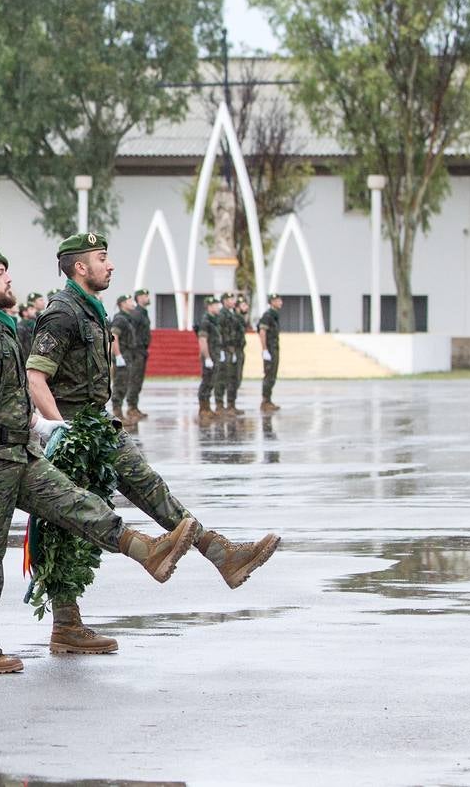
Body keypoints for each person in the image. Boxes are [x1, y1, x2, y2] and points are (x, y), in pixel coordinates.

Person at [0, 247, 206, 673]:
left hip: (19, 453)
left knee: (76, 504)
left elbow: (11, 393)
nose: (9, 278)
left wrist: (39, 426)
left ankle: (147, 552)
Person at [27, 233, 282, 652]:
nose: (110, 266)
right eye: (101, 258)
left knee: (151, 490)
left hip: (97, 426)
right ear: (79, 267)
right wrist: (58, 429)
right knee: (64, 530)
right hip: (72, 431)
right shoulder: (62, 312)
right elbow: (36, 378)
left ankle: (222, 555)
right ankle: (66, 626)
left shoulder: (90, 310)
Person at [109, 294, 137, 423]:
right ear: (122, 304)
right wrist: (118, 355)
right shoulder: (120, 319)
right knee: (120, 384)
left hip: (128, 355)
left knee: (125, 384)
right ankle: (117, 413)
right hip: (123, 354)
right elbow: (114, 336)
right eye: (129, 301)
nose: (132, 302)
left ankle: (119, 413)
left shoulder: (127, 318)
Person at [216, 293, 245, 416]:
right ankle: (220, 405)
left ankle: (231, 405)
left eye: (233, 299)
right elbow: (219, 333)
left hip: (234, 349)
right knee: (223, 378)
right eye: (229, 299)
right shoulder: (222, 315)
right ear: (223, 301)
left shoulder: (232, 314)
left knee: (234, 378)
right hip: (225, 349)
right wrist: (221, 349)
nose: (233, 301)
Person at [125, 288, 152, 419]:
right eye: (145, 296)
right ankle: (131, 407)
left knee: (138, 379)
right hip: (136, 351)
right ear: (139, 298)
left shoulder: (143, 313)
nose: (147, 297)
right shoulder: (136, 314)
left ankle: (134, 406)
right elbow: (132, 331)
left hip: (142, 350)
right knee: (134, 379)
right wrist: (134, 347)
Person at [196, 295, 223, 422]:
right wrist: (207, 357)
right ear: (210, 307)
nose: (218, 307)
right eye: (216, 305)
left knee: (211, 381)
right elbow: (202, 340)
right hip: (210, 355)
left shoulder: (214, 320)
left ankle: (207, 408)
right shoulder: (206, 320)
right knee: (206, 381)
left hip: (215, 354)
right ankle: (203, 409)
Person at [257, 293, 283, 412]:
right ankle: (265, 401)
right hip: (270, 349)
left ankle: (268, 400)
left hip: (274, 348)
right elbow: (262, 332)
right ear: (271, 302)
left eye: (280, 300)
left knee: (272, 375)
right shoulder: (267, 316)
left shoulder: (275, 315)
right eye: (277, 300)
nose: (280, 302)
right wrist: (264, 349)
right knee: (269, 375)